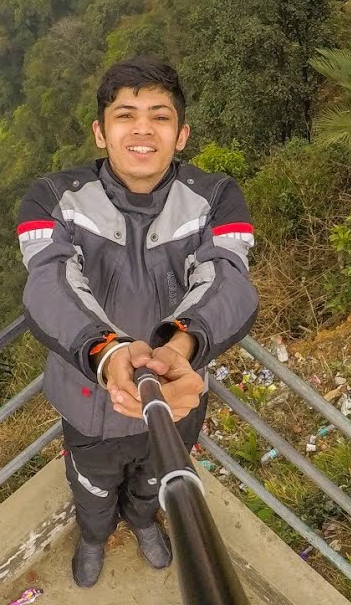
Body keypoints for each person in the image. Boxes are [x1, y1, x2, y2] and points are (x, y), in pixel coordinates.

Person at [15, 56, 259, 588]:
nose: (143, 129)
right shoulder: (55, 198)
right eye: (126, 115)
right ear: (100, 133)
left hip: (175, 394)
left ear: (182, 134)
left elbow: (227, 277)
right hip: (89, 399)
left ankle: (145, 524)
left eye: (159, 116)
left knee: (155, 478)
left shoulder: (216, 198)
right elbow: (50, 281)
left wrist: (184, 342)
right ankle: (94, 538)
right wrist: (105, 350)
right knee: (92, 485)